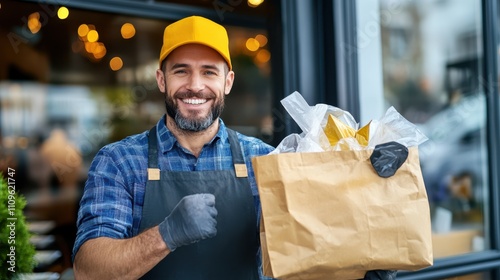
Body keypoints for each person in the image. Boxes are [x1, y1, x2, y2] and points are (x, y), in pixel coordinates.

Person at [72, 15, 396, 280]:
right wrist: (166, 234)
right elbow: (88, 270)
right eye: (181, 70)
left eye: (209, 72)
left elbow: (313, 242)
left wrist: (372, 187)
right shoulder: (119, 161)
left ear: (227, 82)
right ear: (161, 80)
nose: (195, 86)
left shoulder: (263, 159)